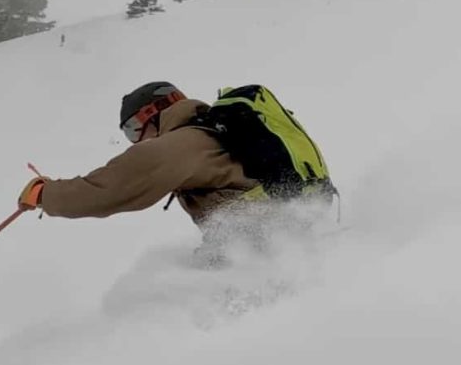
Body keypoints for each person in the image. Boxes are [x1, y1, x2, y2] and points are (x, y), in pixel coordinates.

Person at [19, 81, 332, 261]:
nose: (135, 139)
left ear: (151, 114)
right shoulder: (211, 134)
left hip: (260, 243)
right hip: (287, 231)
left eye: (132, 129)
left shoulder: (179, 144)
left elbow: (109, 190)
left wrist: (45, 194)